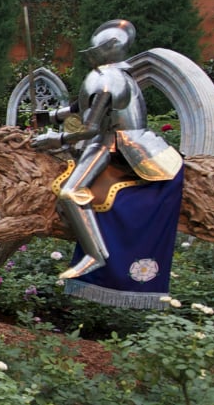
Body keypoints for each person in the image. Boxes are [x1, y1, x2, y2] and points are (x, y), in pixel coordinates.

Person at [31, 19, 181, 280]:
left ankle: (95, 255)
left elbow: (89, 128)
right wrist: (46, 116)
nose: (90, 54)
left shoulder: (108, 79)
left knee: (70, 192)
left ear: (109, 47)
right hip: (126, 138)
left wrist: (55, 139)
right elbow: (78, 108)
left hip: (113, 143)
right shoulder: (115, 75)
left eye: (95, 48)